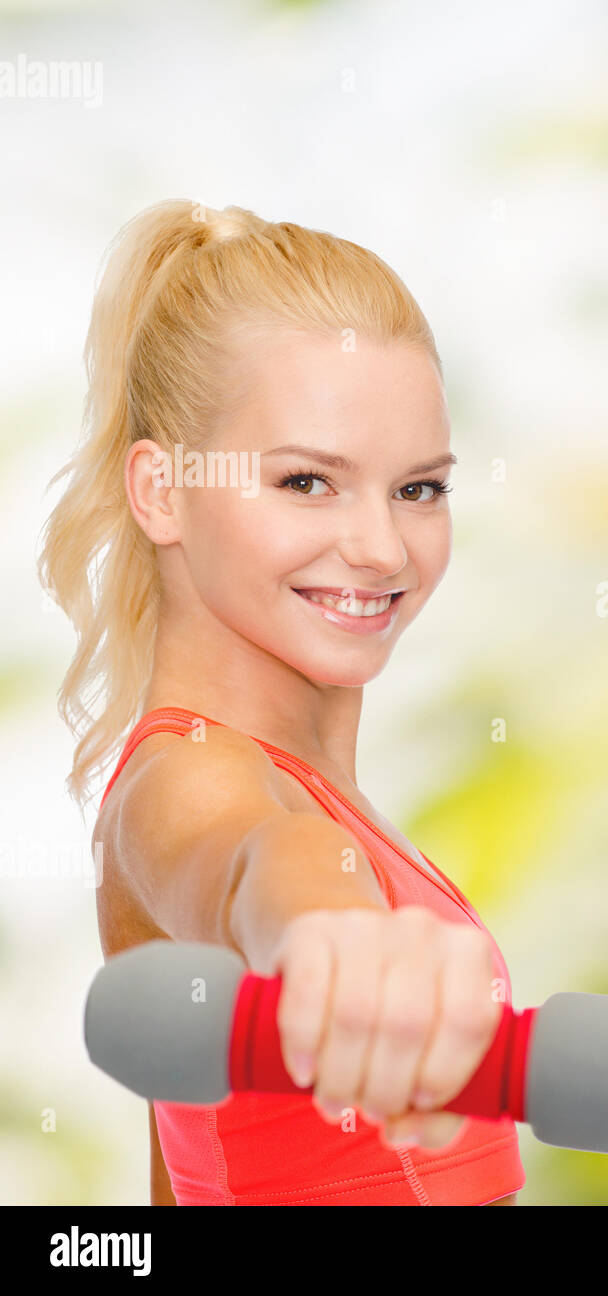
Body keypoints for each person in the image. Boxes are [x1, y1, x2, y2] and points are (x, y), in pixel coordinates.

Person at [38, 200, 523, 1205]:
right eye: (308, 482)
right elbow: (259, 859)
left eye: (418, 490)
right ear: (162, 491)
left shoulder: (320, 793)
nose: (384, 549)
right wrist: (329, 939)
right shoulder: (189, 778)